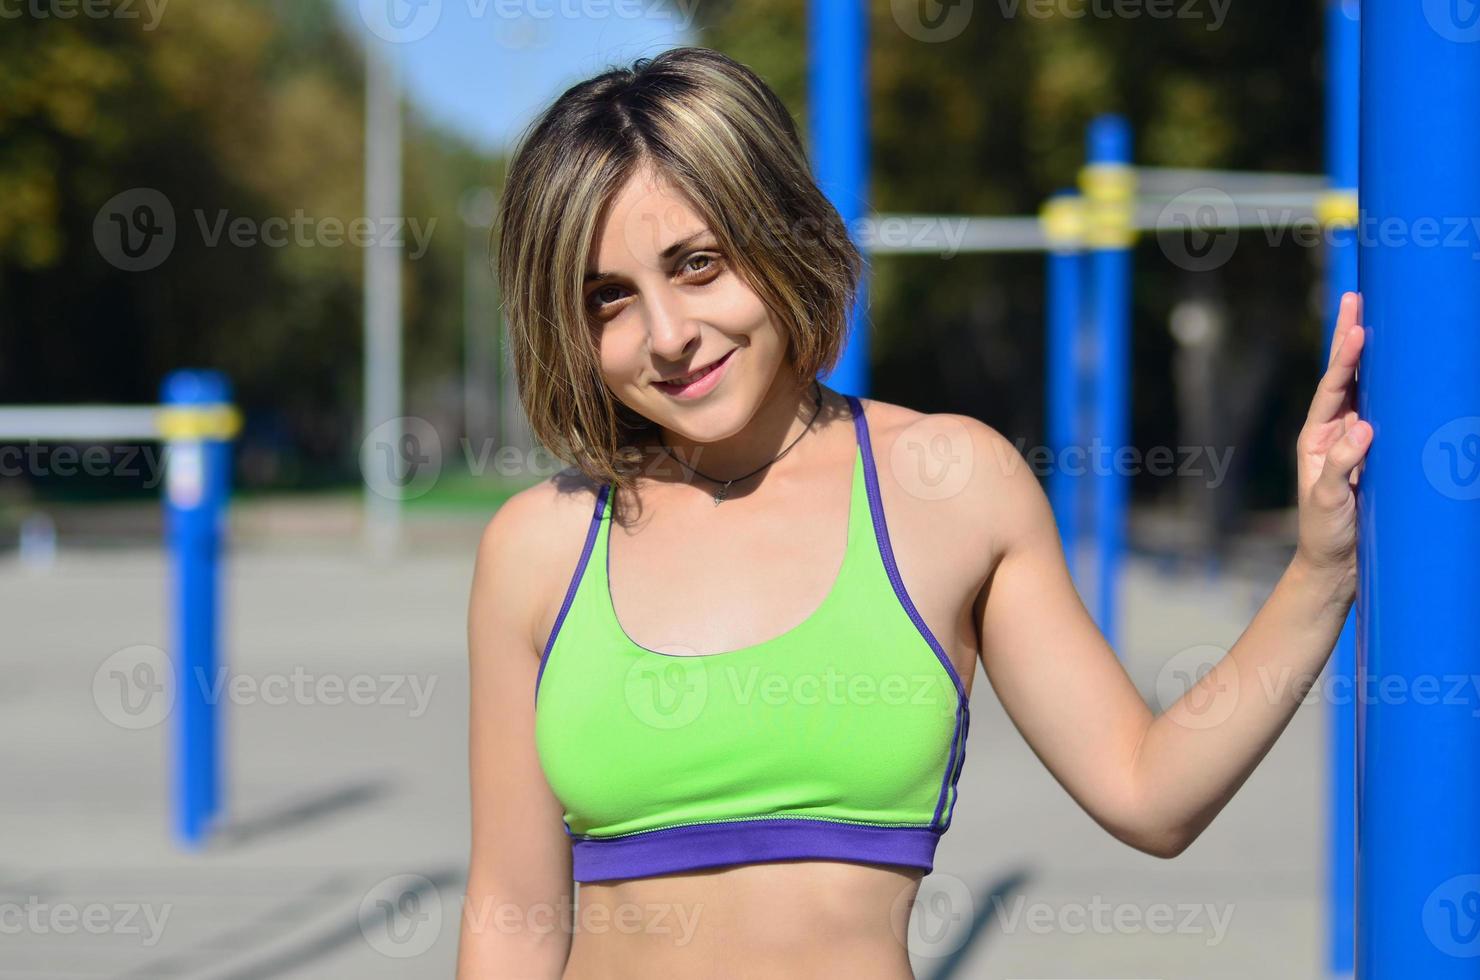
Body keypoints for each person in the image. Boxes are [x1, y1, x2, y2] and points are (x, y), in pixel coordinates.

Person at [457, 45, 1370, 980]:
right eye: (610, 298)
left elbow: (1149, 791)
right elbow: (513, 920)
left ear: (780, 235)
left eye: (697, 265)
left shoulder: (946, 485)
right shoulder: (541, 545)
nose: (667, 335)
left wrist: (1318, 572)